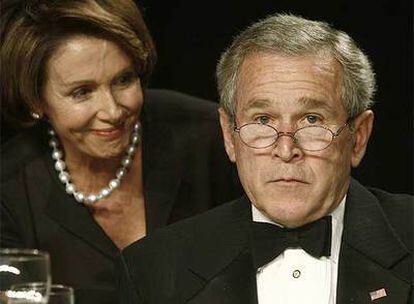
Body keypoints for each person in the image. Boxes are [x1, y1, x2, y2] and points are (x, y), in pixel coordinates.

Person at [119, 14, 413, 304]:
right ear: (228, 135)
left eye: (312, 120)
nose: (286, 151)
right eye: (262, 120)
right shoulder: (153, 270)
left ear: (358, 137)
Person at [0, 1, 242, 303]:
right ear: (36, 100)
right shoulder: (10, 188)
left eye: (124, 80)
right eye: (82, 92)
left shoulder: (208, 136)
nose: (113, 110)